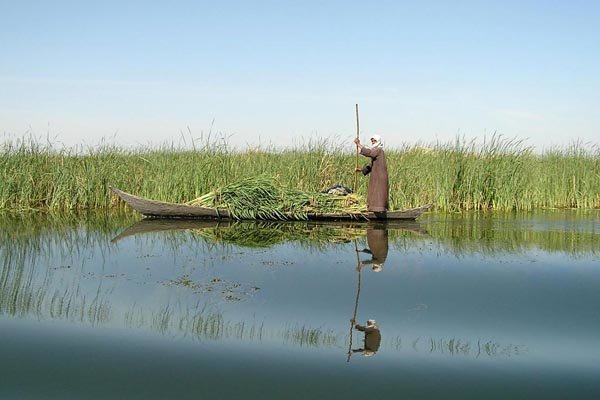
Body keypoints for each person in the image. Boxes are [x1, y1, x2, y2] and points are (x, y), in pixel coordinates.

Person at [354, 134, 389, 212]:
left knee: (378, 193)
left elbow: (370, 153)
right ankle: (374, 209)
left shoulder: (378, 150)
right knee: (374, 193)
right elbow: (372, 165)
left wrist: (358, 144)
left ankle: (379, 209)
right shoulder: (377, 151)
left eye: (374, 141)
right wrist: (361, 170)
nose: (373, 142)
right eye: (372, 141)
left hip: (379, 177)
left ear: (378, 142)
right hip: (377, 177)